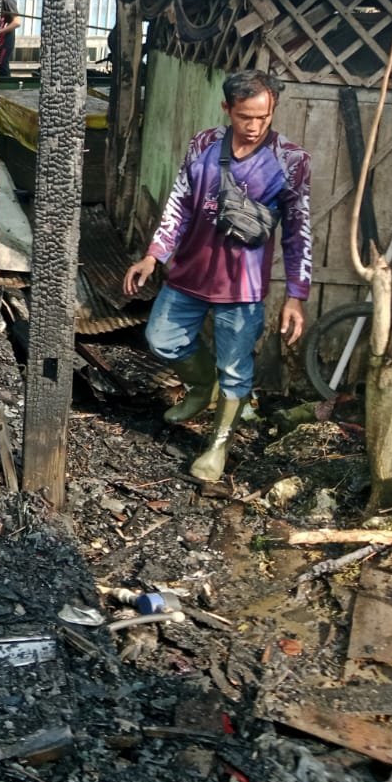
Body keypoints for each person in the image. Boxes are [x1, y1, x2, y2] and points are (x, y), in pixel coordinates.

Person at [123, 70, 312, 483]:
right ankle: (199, 386)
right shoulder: (204, 144)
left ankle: (217, 446)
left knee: (236, 369)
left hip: (242, 287)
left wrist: (296, 295)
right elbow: (180, 202)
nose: (254, 126)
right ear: (227, 109)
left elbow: (298, 231)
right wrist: (155, 255)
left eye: (263, 117)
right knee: (161, 339)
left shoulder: (290, 161)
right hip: (191, 271)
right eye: (245, 116)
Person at [0, 0, 22, 81]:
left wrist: (0, 31)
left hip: (6, 39)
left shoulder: (8, 0)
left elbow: (17, 22)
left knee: (2, 65)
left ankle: (6, 89)